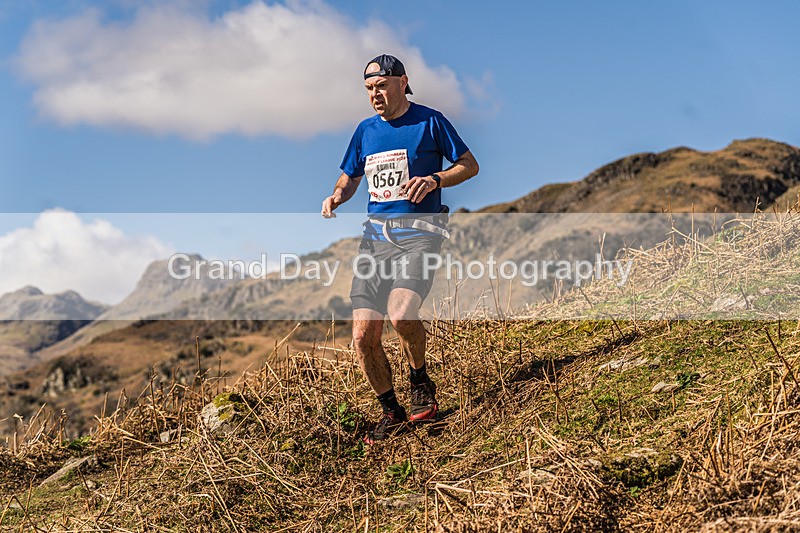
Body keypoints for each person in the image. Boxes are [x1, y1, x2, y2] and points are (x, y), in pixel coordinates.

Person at [321, 54, 479, 443]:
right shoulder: (365, 131)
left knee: (401, 314)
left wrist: (435, 179)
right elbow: (350, 175)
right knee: (362, 335)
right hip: (375, 240)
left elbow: (469, 165)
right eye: (369, 89)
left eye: (381, 86)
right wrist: (338, 194)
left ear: (402, 82)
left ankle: (420, 381)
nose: (375, 94)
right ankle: (391, 411)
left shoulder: (430, 121)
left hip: (421, 234)